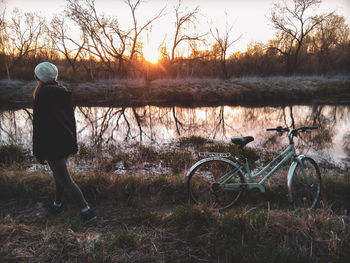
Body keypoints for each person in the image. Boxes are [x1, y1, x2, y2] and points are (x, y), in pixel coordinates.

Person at [32, 62, 96, 223]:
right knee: (59, 175)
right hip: (64, 141)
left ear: (38, 77)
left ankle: (86, 211)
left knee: (65, 179)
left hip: (52, 145)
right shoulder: (63, 91)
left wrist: (39, 151)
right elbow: (69, 121)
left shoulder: (42, 96)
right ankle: (57, 204)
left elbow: (40, 127)